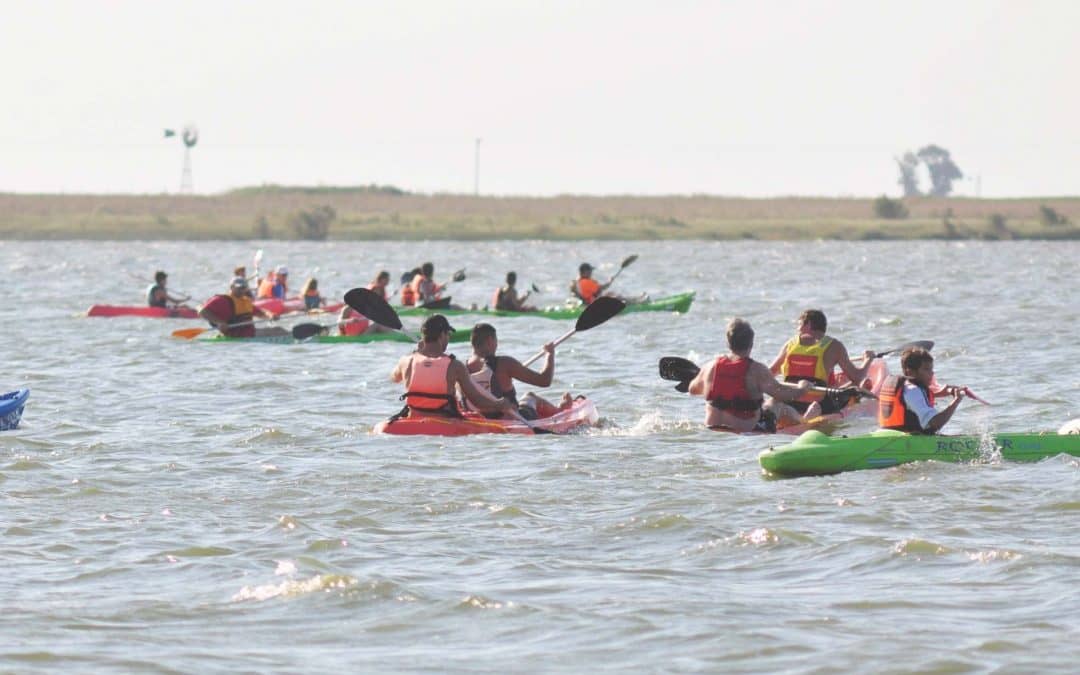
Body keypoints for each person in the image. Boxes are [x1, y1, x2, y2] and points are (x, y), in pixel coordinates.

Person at [688, 318, 812, 433]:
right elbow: (785, 395)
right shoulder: (757, 370)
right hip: (747, 432)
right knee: (776, 403)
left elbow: (692, 389)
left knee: (765, 405)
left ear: (728, 343)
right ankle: (805, 422)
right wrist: (803, 388)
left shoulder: (710, 367)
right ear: (751, 344)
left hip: (711, 429)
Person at [390, 315, 514, 419]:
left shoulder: (406, 361)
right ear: (442, 335)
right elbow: (477, 401)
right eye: (448, 334)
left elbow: (394, 378)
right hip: (444, 421)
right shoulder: (455, 366)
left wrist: (415, 353)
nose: (448, 339)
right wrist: (499, 404)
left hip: (414, 418)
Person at [769, 309, 876, 420]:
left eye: (799, 325)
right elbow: (857, 377)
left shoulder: (790, 344)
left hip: (790, 400)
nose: (797, 329)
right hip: (818, 402)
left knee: (774, 401)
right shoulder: (834, 346)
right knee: (853, 387)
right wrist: (868, 360)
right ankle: (810, 415)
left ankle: (782, 415)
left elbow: (771, 373)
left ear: (808, 324)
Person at [464, 323, 573, 420]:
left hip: (478, 420)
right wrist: (549, 354)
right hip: (513, 419)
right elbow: (544, 381)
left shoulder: (462, 368)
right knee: (530, 396)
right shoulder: (505, 363)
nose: (496, 345)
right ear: (489, 341)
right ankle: (559, 410)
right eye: (496, 341)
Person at [878, 347, 965, 434]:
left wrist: (949, 391)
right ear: (910, 372)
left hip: (887, 434)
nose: (932, 373)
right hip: (907, 439)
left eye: (931, 369)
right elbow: (935, 423)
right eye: (926, 369)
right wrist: (956, 401)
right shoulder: (914, 391)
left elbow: (926, 394)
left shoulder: (902, 386)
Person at [198, 277, 277, 338]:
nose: (242, 290)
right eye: (239, 288)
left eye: (244, 288)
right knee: (278, 332)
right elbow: (202, 311)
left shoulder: (245, 301)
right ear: (231, 287)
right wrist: (219, 322)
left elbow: (260, 312)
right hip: (236, 336)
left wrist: (270, 315)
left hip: (250, 334)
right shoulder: (222, 300)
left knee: (278, 330)